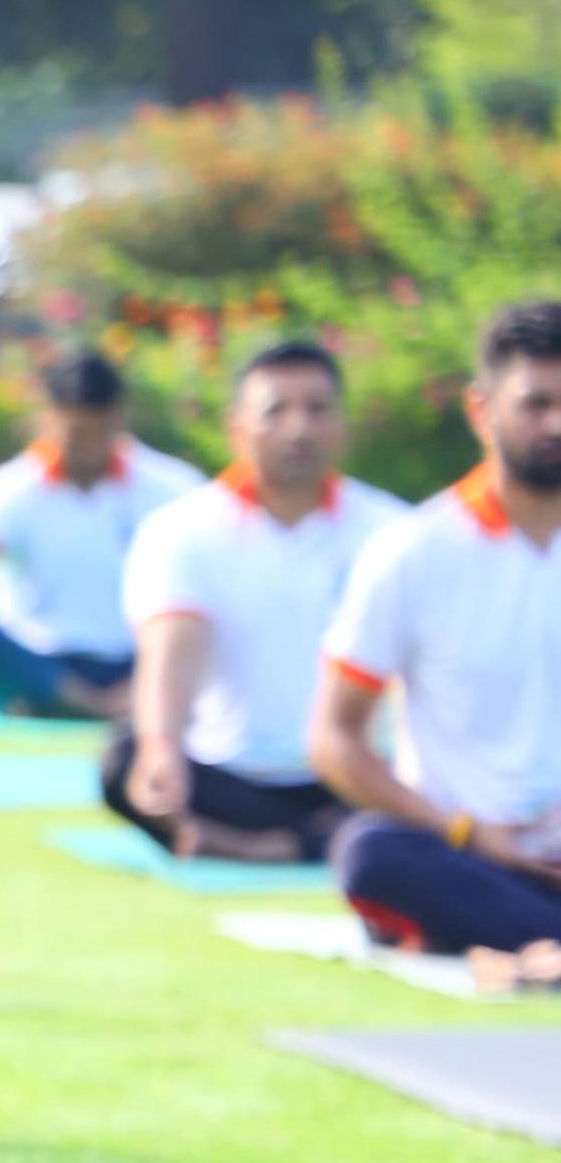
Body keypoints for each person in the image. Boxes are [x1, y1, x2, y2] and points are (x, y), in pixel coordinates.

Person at [313, 298, 561, 961]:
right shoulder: (413, 551)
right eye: (536, 403)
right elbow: (335, 738)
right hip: (467, 855)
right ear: (482, 411)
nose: (556, 423)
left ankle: (526, 941)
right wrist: (465, 831)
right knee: (371, 850)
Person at [103, 340, 399, 864]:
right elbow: (170, 650)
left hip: (351, 776)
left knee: (422, 799)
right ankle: (304, 841)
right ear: (236, 427)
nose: (298, 428)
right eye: (275, 411)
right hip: (229, 774)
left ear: (343, 425)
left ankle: (277, 847)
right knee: (122, 761)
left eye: (317, 409)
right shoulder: (182, 530)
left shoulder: (392, 531)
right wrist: (161, 746)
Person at [0, 349, 201, 722]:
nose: (86, 445)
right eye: (75, 432)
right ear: (47, 418)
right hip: (44, 663)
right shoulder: (8, 489)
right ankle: (93, 705)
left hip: (139, 658)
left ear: (118, 419)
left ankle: (128, 699)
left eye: (97, 431)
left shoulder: (171, 487)